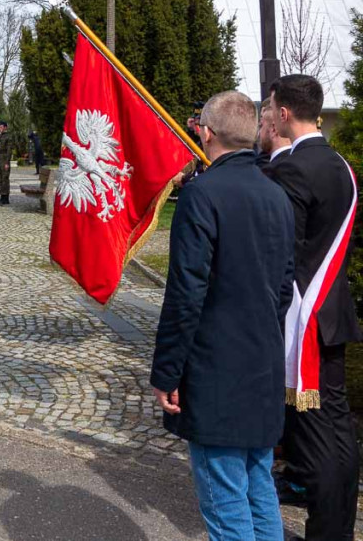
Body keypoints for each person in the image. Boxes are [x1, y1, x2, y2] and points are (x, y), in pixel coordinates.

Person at [150, 91, 294, 541]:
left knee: (227, 502)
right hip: (264, 362)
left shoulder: (202, 195)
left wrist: (167, 370)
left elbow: (186, 293)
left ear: (206, 133)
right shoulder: (277, 196)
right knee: (258, 491)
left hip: (218, 372)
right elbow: (284, 288)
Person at [267, 75, 361, 540]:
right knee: (339, 433)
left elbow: (283, 252)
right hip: (334, 313)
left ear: (284, 113)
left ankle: (327, 532)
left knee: (319, 439)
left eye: (270, 109)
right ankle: (338, 526)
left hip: (305, 320)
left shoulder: (292, 170)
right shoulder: (339, 164)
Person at [256, 97, 292, 174]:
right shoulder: (307, 162)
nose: (259, 133)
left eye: (261, 126)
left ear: (274, 129)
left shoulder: (269, 173)